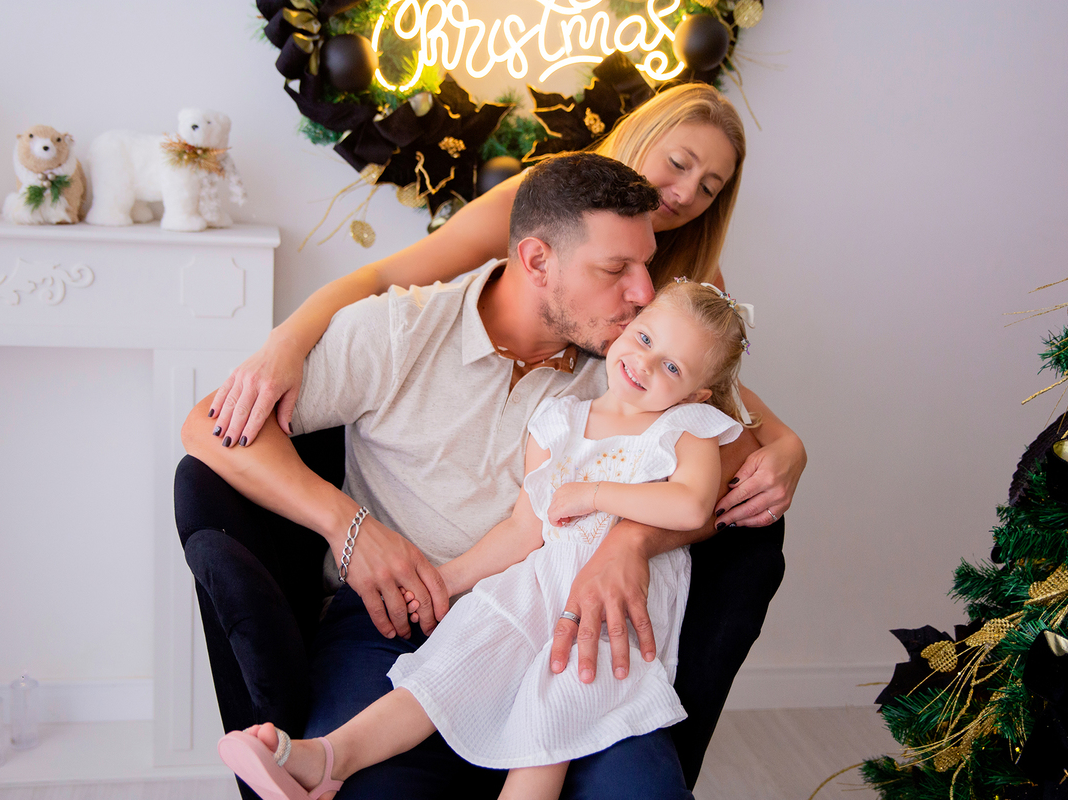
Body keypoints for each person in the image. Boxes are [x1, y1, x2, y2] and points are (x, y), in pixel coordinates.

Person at [216, 279, 752, 800]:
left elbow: (690, 505)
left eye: (673, 367)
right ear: (629, 325)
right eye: (645, 338)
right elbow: (523, 530)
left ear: (698, 392)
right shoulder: (561, 419)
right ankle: (327, 756)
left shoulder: (685, 428)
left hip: (607, 615)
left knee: (548, 726)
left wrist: (593, 494)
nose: (646, 363)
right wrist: (444, 582)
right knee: (445, 670)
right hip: (535, 587)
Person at [207, 83, 805, 531]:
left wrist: (784, 443)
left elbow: (705, 391)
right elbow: (384, 276)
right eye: (679, 164)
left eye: (709, 187)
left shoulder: (696, 268)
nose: (684, 193)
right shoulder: (540, 204)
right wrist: (284, 343)